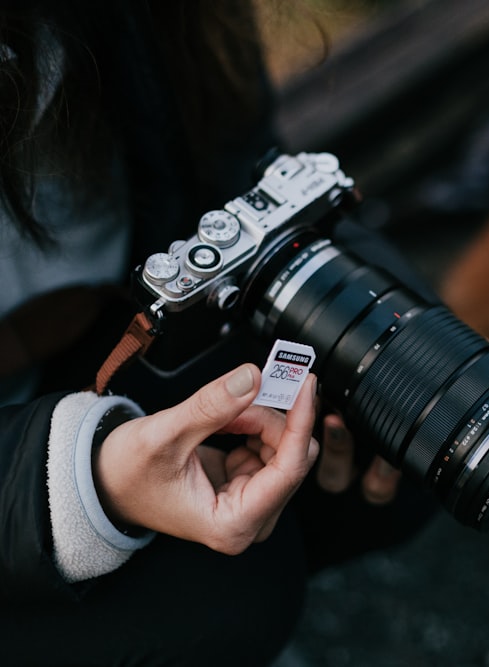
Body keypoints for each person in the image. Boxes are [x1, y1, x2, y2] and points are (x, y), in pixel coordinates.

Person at [0, 1, 437, 664]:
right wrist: (85, 479)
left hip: (122, 302)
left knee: (416, 409)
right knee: (224, 597)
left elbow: (229, 153)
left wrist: (345, 291)